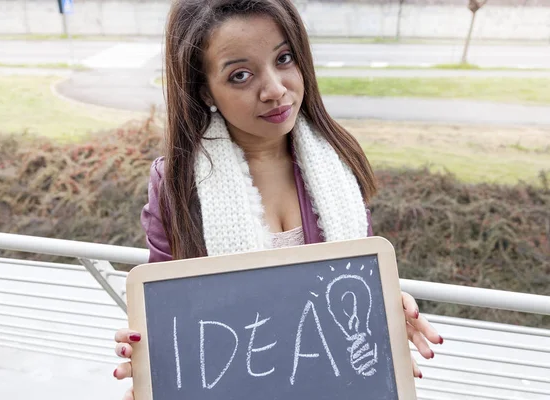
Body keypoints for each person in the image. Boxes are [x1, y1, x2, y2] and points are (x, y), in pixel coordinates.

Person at [113, 0, 443, 398]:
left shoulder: (337, 161)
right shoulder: (176, 184)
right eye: (240, 75)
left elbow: (354, 287)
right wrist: (155, 367)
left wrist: (388, 311)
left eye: (283, 58)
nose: (274, 89)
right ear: (205, 91)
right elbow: (172, 317)